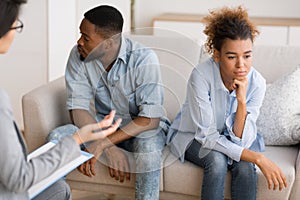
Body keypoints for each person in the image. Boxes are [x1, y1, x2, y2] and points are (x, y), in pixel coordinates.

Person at [0, 1, 121, 199]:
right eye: (16, 24)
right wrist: (78, 139)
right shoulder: (0, 100)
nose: (79, 42)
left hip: (125, 128)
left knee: (59, 189)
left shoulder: (141, 59)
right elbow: (18, 179)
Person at [47, 5, 169, 200]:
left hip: (141, 129)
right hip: (104, 126)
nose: (79, 42)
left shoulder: (143, 59)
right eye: (80, 35)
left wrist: (103, 144)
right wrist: (107, 145)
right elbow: (77, 109)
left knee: (149, 151)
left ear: (108, 44)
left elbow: (150, 120)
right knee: (57, 138)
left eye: (86, 38)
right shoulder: (78, 55)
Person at [166, 6, 287, 200]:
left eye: (247, 56)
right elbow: (207, 137)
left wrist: (241, 102)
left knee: (246, 167)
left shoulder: (257, 83)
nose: (241, 65)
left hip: (231, 139)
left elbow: (243, 141)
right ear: (216, 54)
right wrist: (258, 157)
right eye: (232, 57)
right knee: (217, 161)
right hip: (194, 136)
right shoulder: (201, 77)